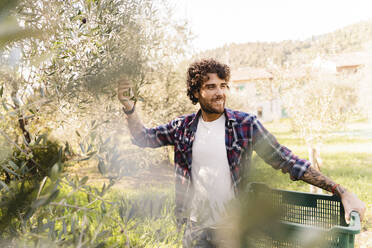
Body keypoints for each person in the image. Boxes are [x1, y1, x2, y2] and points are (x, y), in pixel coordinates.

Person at [118, 58, 366, 247]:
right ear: (196, 92)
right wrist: (129, 109)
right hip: (194, 229)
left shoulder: (245, 125)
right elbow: (143, 138)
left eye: (223, 85)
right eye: (211, 86)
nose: (220, 92)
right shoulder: (181, 128)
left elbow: (286, 160)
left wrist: (340, 190)